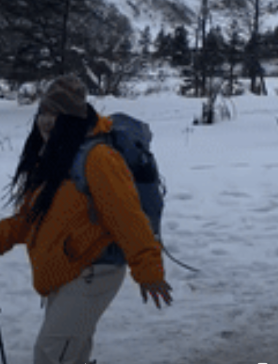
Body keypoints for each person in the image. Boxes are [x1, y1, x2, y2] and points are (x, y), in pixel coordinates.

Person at [0, 74, 172, 364]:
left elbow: (128, 217)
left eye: (55, 113)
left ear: (72, 119)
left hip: (93, 273)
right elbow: (28, 221)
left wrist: (148, 269)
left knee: (51, 354)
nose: (45, 120)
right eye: (43, 111)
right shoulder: (53, 157)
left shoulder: (99, 158)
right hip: (65, 272)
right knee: (70, 352)